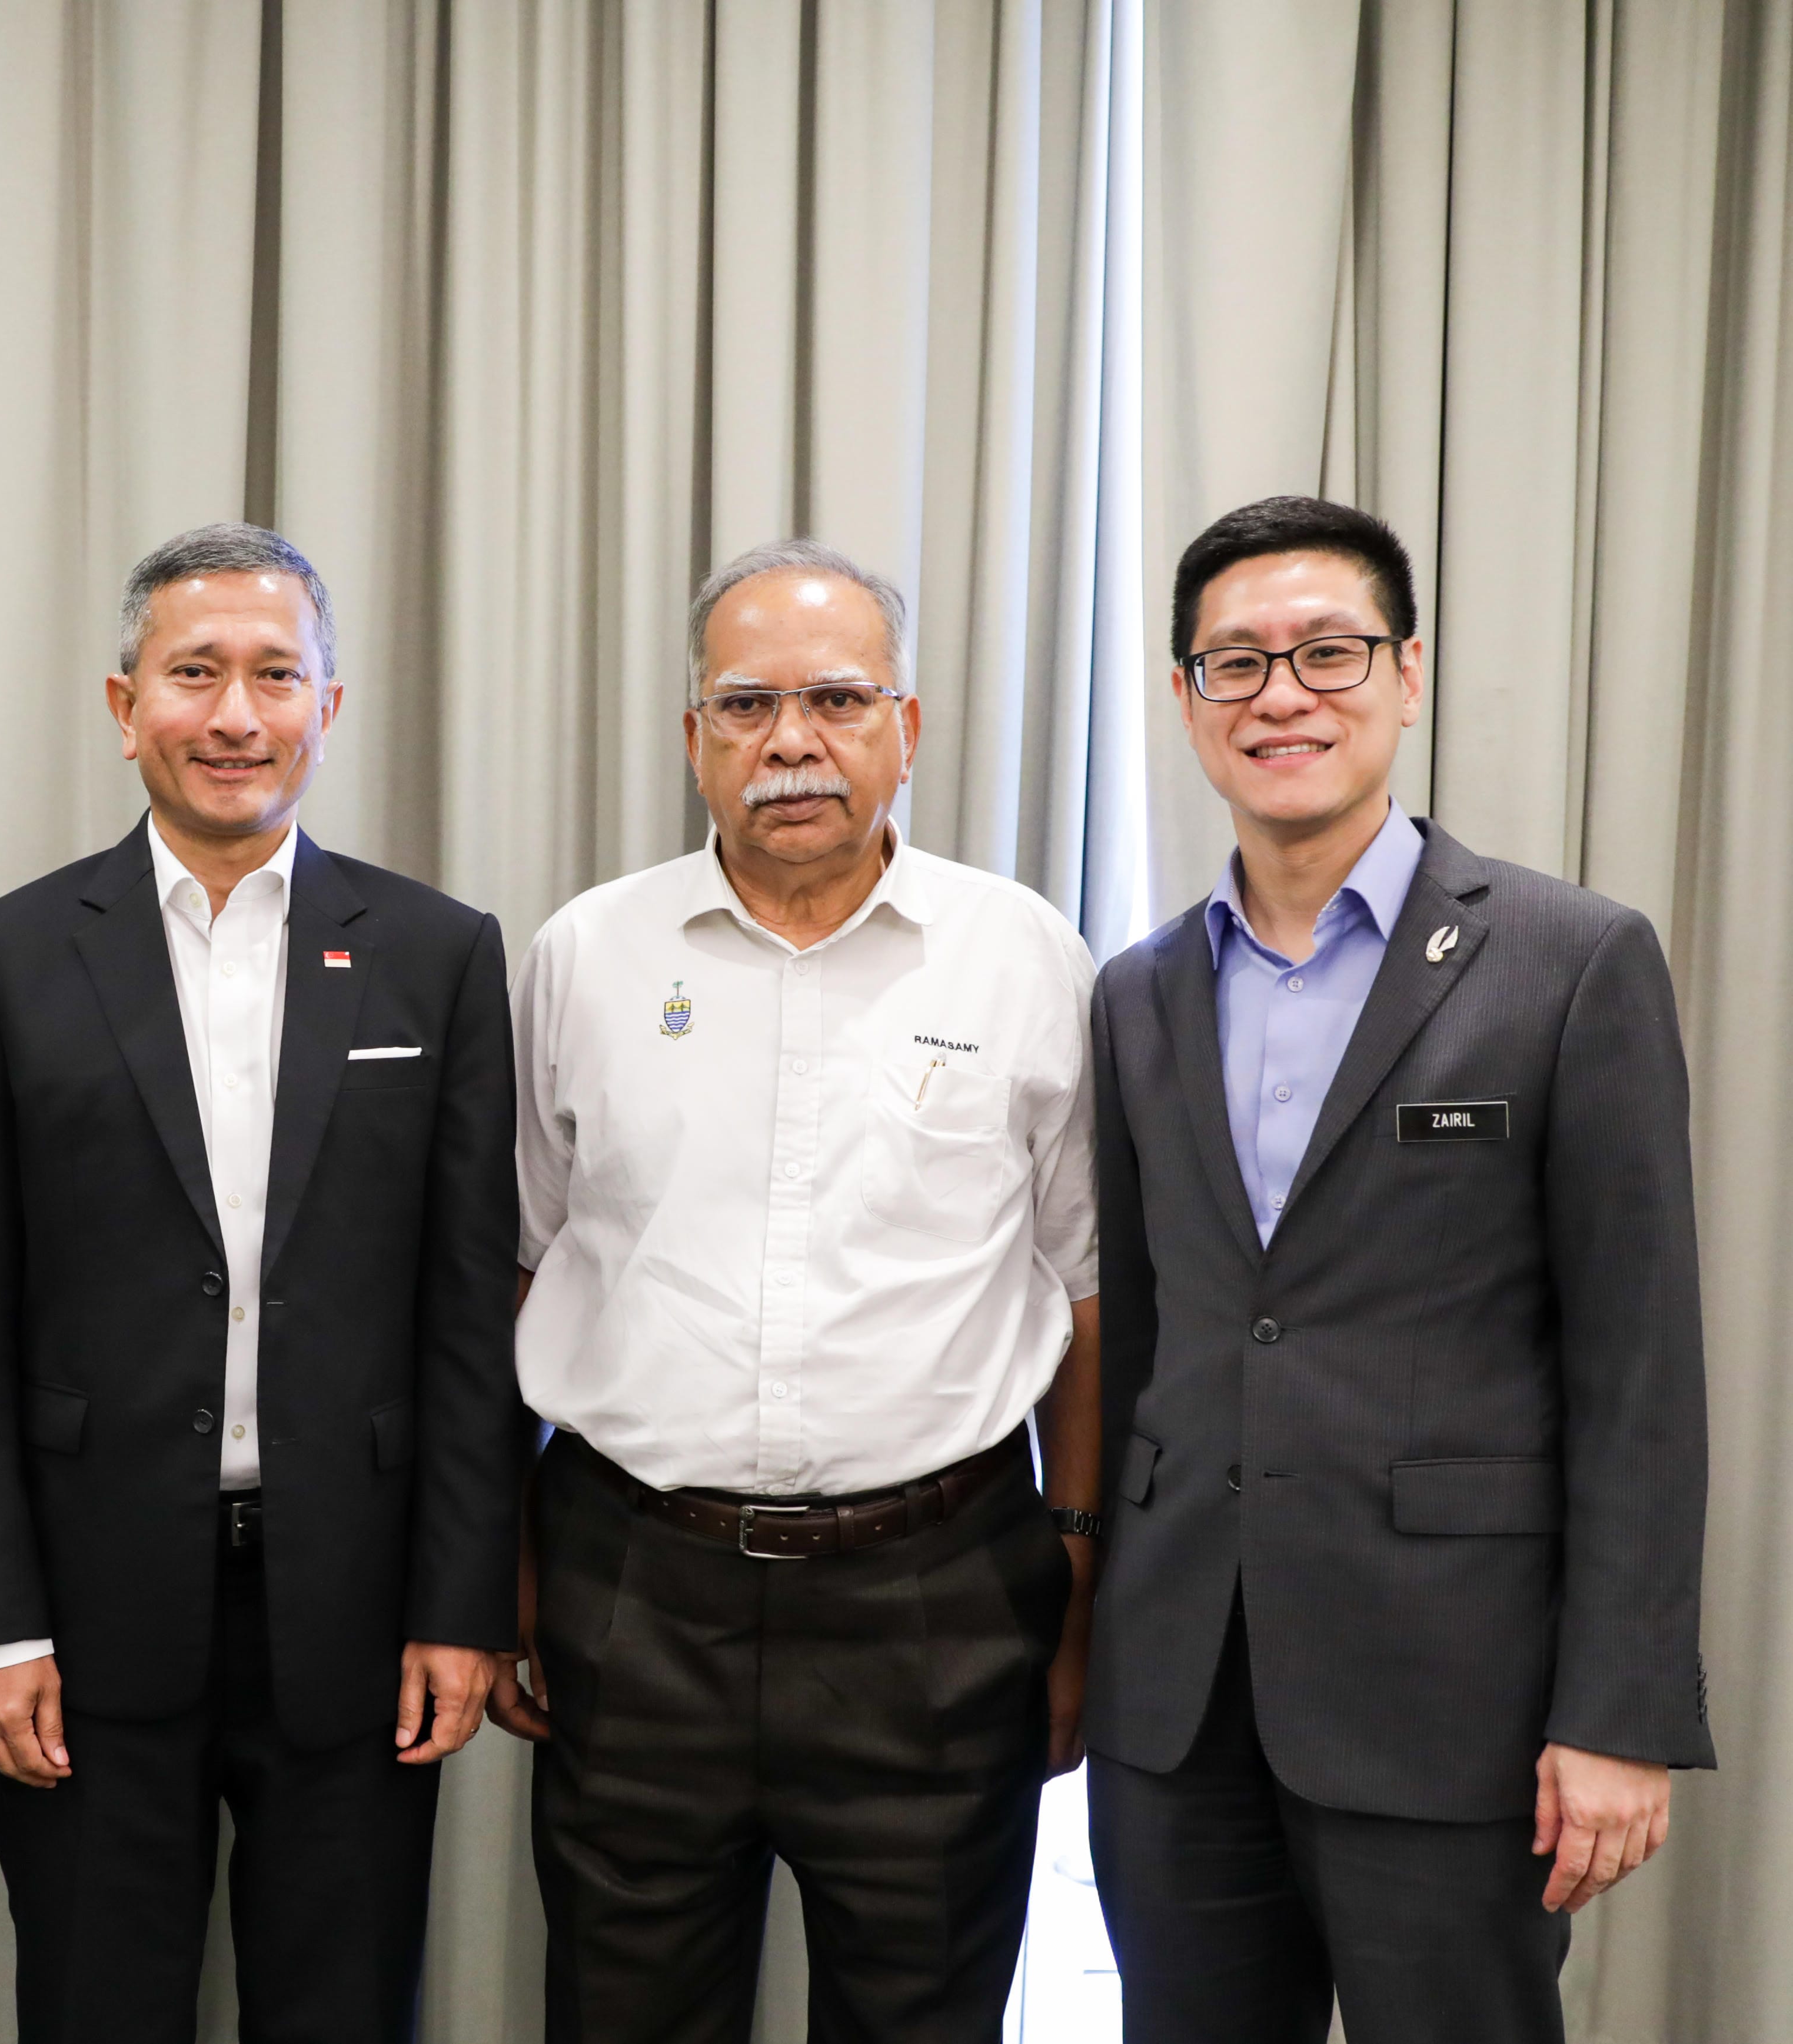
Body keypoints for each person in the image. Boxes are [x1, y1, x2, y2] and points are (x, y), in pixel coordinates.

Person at [1084, 496, 1714, 2042]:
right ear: (1183, 701)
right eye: (1233, 664)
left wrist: (1617, 1713)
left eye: (1325, 652)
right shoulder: (1137, 992)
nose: (1279, 694)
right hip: (1176, 1705)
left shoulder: (1567, 964)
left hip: (1453, 1700)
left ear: (1407, 674)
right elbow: (1154, 1332)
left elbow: (1637, 1369)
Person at [492, 540, 1104, 2043]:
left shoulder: (1023, 956)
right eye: (744, 705)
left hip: (937, 1599)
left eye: (835, 700)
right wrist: (500, 1567)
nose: (790, 744)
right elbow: (516, 1266)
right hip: (634, 1590)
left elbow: (1088, 1295)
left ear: (906, 724)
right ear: (692, 737)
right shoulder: (586, 954)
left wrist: (1078, 1574)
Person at [0, 522, 524, 2041]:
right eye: (195, 673)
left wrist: (461, 1606)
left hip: (355, 1606)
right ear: (124, 705)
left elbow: (467, 1311)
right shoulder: (8, 954)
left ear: (330, 703)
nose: (235, 714)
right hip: (83, 1598)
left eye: (275, 674)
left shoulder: (435, 954)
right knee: (93, 2006)